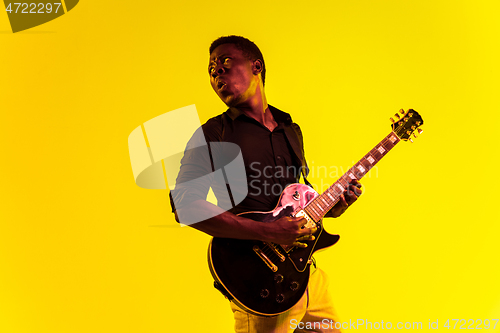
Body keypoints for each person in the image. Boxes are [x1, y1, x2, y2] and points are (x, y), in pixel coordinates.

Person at [170, 35, 362, 333]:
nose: (216, 72)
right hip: (260, 282)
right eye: (211, 69)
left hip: (307, 275)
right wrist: (265, 230)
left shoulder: (290, 129)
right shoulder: (214, 132)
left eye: (225, 62)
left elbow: (291, 203)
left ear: (256, 66)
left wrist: (330, 209)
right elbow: (184, 204)